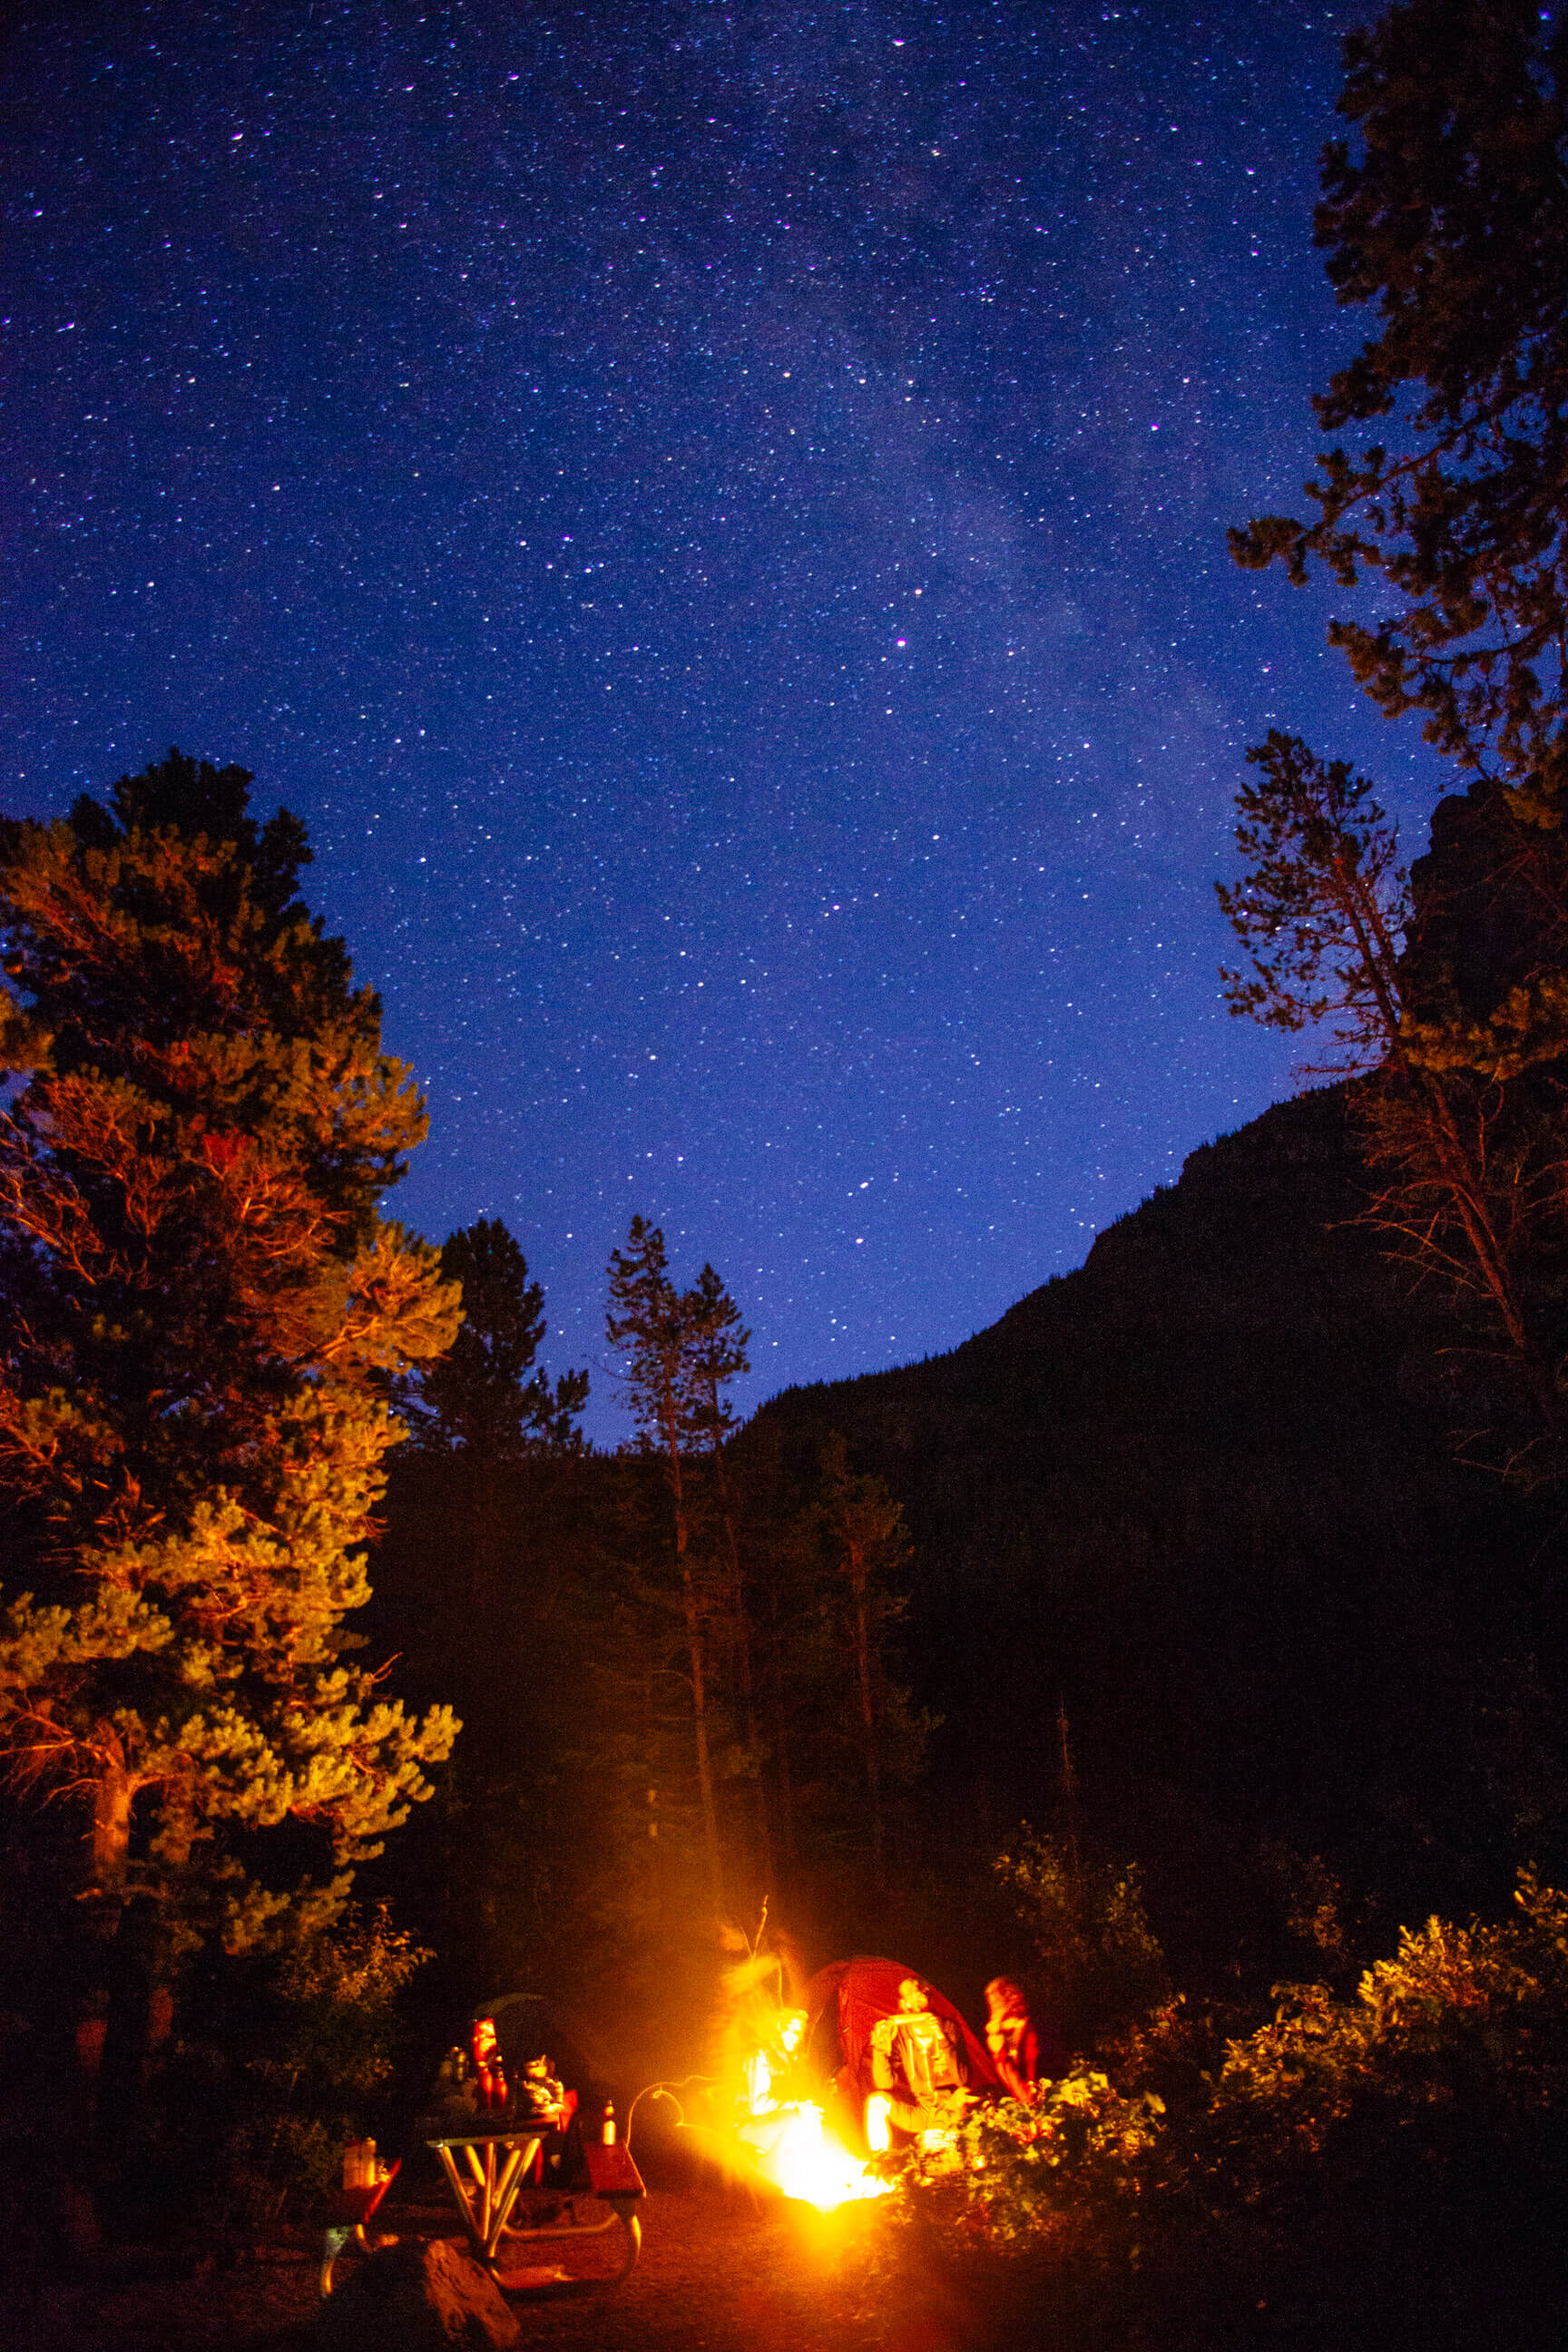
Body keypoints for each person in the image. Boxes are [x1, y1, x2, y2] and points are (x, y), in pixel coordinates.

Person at [868, 1976, 968, 2140]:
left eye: (920, 1996)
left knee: (948, 2144)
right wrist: (879, 2049)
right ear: (904, 2004)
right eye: (910, 1998)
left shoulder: (949, 2027)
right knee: (877, 2102)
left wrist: (942, 2038)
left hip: (951, 2108)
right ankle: (881, 2160)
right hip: (923, 2111)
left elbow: (962, 2078)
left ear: (929, 1999)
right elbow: (884, 2083)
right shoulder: (901, 2035)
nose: (916, 2003)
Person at [984, 1976, 1041, 2103]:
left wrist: (1001, 2056)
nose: (993, 2007)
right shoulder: (1000, 2035)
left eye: (995, 2002)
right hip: (1019, 2102)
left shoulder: (1028, 2031)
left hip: (1035, 2100)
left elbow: (1028, 2088)